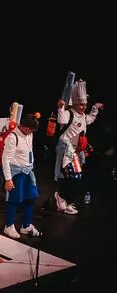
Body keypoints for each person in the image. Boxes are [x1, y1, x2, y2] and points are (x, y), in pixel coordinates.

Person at [53, 80, 104, 214]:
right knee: (71, 176)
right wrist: (60, 108)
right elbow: (61, 120)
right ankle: (61, 197)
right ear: (75, 103)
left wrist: (95, 108)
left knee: (76, 177)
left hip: (76, 150)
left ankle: (66, 201)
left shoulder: (82, 116)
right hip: (66, 148)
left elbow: (90, 119)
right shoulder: (70, 114)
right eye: (81, 104)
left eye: (85, 105)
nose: (84, 107)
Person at [2, 114, 42, 239]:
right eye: (30, 129)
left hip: (28, 171)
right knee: (13, 200)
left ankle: (26, 225)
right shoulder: (12, 137)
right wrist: (8, 179)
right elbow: (5, 159)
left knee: (30, 198)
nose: (31, 132)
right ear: (24, 127)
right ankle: (8, 226)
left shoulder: (29, 134)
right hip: (17, 173)